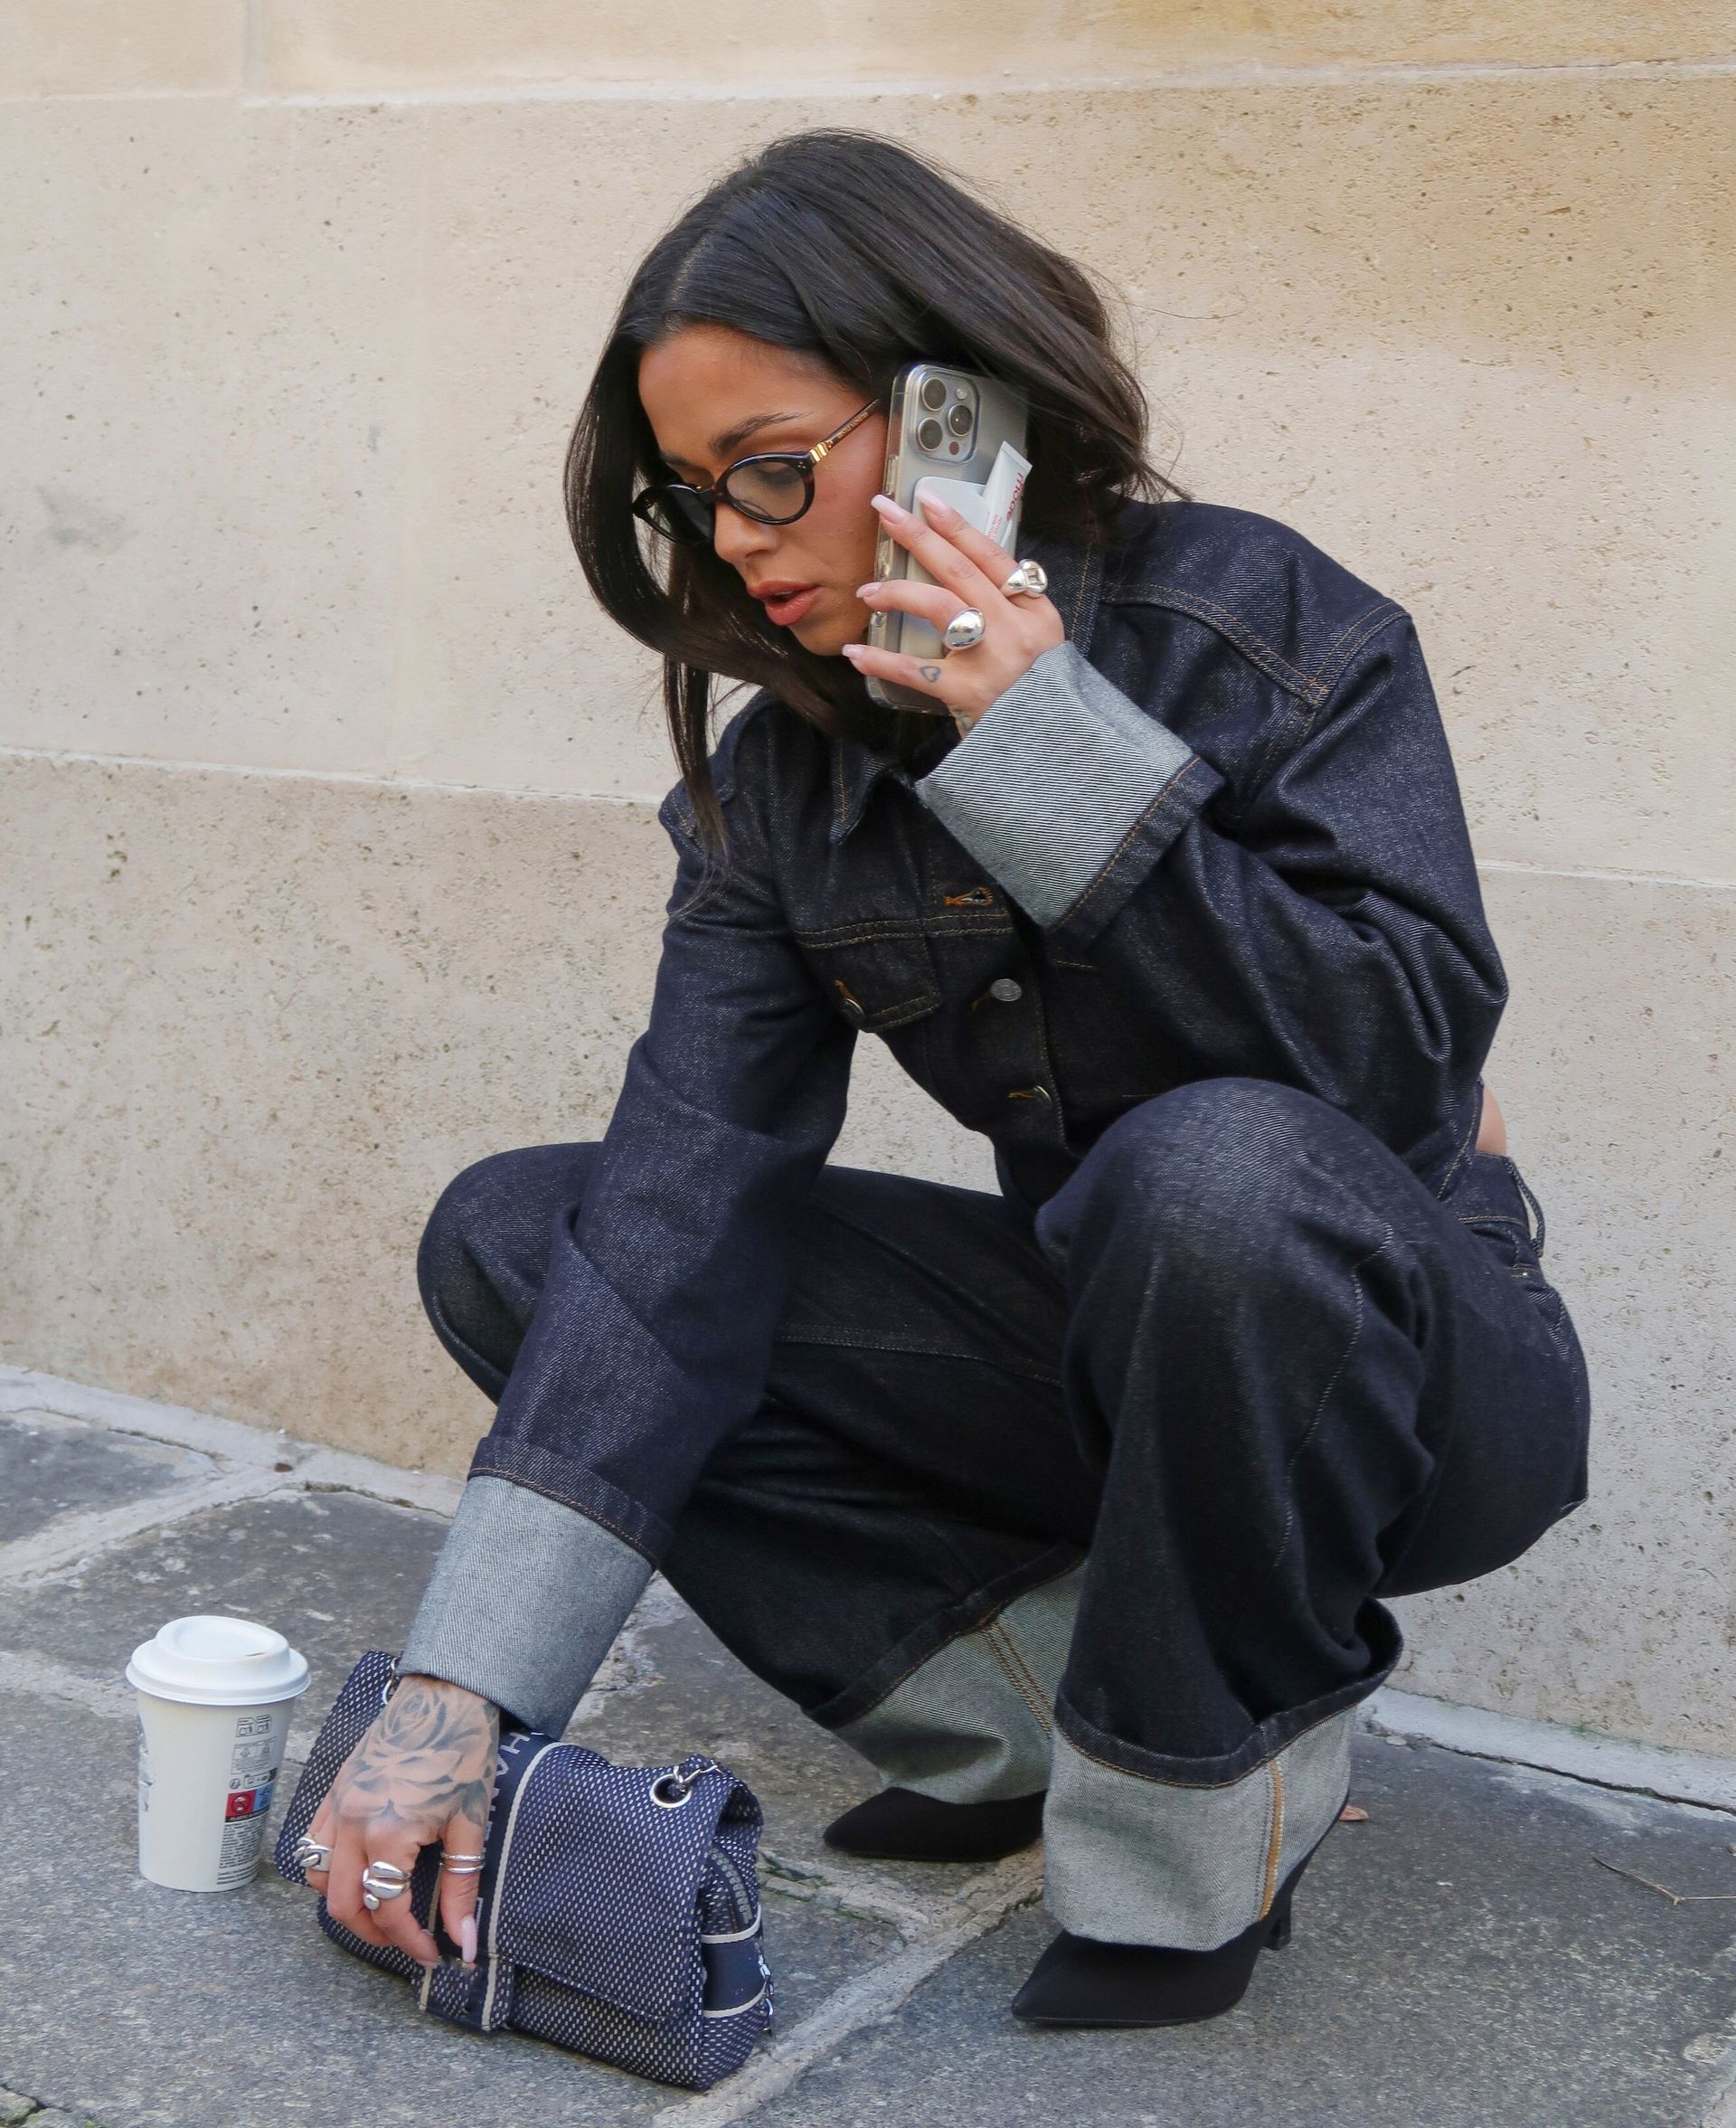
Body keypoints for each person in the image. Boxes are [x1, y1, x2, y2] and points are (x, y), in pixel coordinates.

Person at [298, 127, 1591, 2029]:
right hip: (1099, 1353)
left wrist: (1051, 751)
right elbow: (679, 1217)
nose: (735, 542)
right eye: (695, 499)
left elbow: (1400, 1067)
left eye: (768, 472)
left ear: (950, 412)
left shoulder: (1269, 634)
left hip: (1407, 1383)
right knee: (529, 1235)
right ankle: (1020, 1732)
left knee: (1214, 1172)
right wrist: (456, 1697)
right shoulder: (786, 787)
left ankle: (1182, 1828)